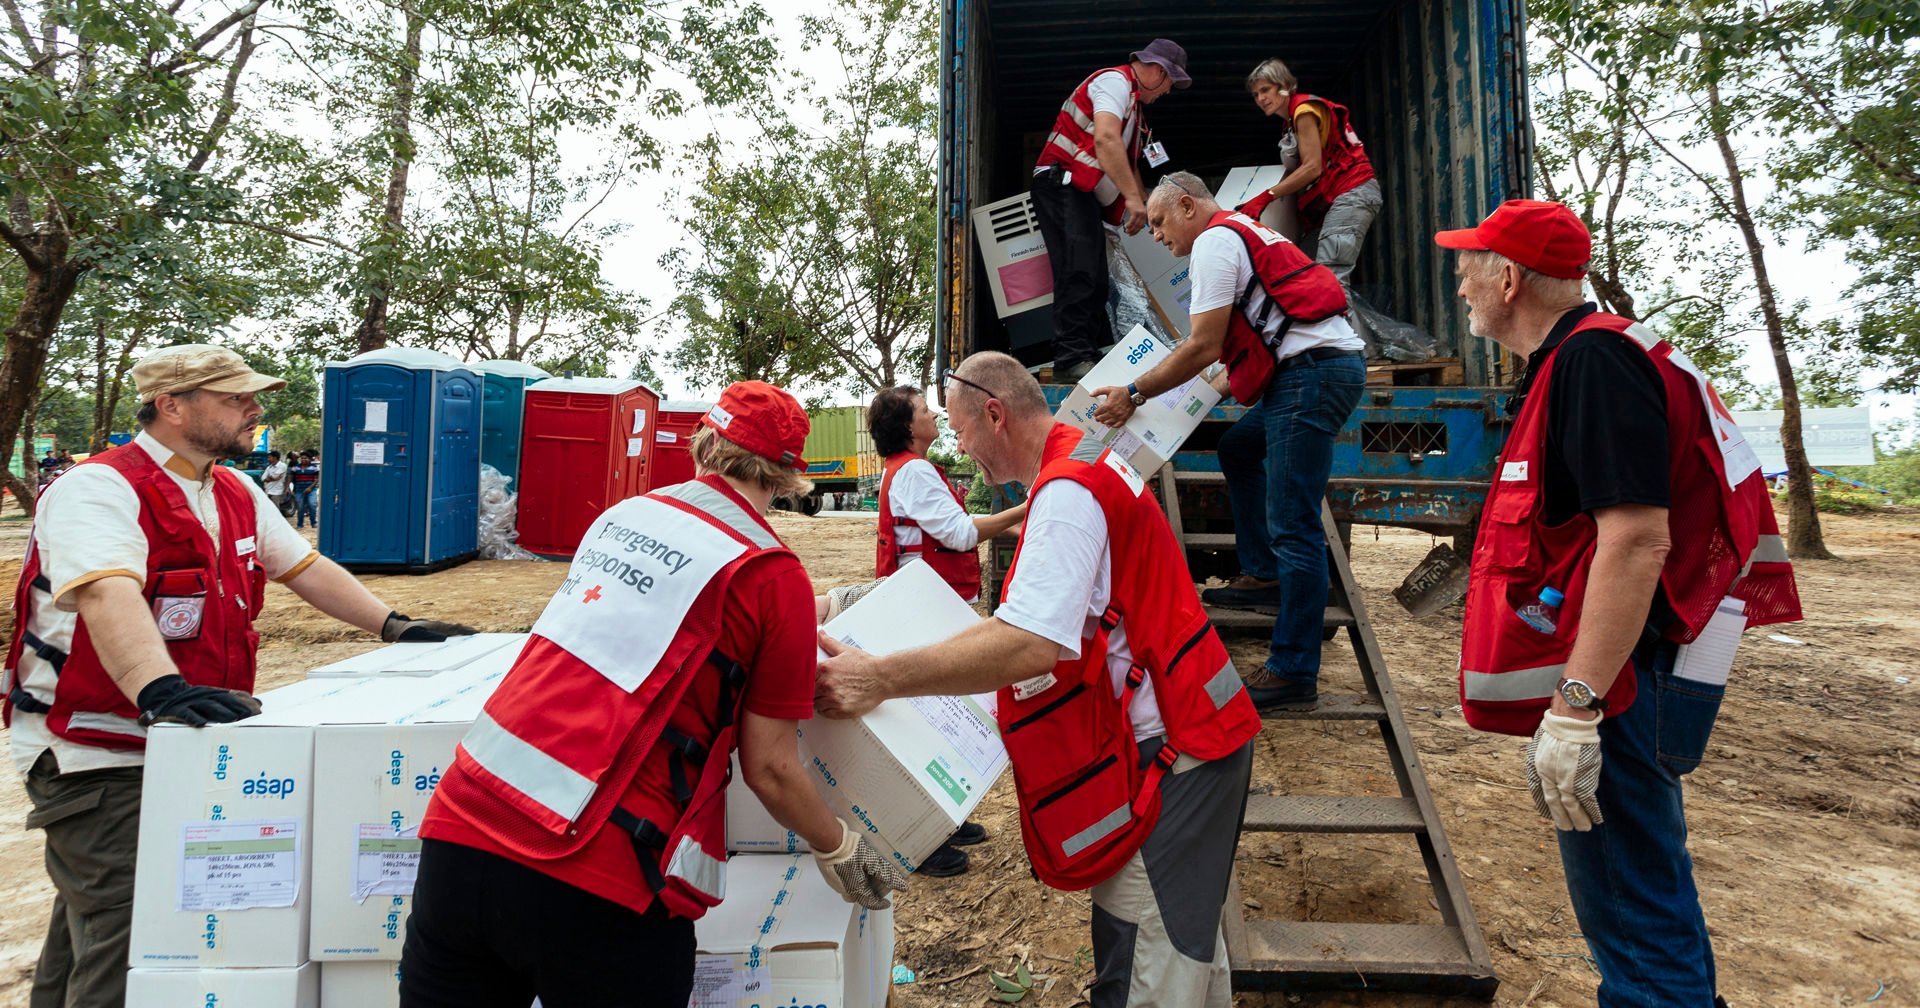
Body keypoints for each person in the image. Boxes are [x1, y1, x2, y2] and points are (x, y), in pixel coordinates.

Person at [2, 344, 477, 1008]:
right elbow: (109, 593)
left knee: (96, 921)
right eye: (235, 398)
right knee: (133, 928)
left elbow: (302, 569)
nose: (254, 409)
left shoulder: (230, 488)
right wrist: (158, 688)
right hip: (99, 751)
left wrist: (394, 624)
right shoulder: (99, 488)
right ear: (172, 406)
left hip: (186, 738)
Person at [402, 381, 904, 1008]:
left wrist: (814, 608)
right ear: (786, 475)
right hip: (597, 874)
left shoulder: (626, 516)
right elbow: (771, 767)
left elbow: (657, 610)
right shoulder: (771, 574)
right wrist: (836, 843)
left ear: (704, 444)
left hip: (462, 830)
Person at [1434, 200, 1802, 1007]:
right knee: (1639, 886)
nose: (1459, 282)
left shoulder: (1594, 363)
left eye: (1469, 264)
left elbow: (1637, 538)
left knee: (1634, 900)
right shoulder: (1587, 356)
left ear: (1509, 276)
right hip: (1635, 665)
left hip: (1625, 677)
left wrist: (1576, 705)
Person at [819, 352, 1260, 1008]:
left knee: (1145, 967)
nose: (962, 450)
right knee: (1185, 953)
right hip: (1190, 736)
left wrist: (880, 678)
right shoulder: (1085, 462)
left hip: (1172, 756)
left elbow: (1028, 644)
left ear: (994, 414)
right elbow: (1036, 625)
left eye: (963, 433)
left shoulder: (1066, 493)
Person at [1093, 172, 1364, 710]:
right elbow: (1224, 359)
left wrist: (1134, 392)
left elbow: (1202, 345)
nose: (1156, 236)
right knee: (1237, 448)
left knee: (1296, 526)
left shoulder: (1215, 241)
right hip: (1313, 371)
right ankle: (1263, 574)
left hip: (1308, 377)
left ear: (1188, 206)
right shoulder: (1242, 231)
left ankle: (1292, 670)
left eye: (1160, 222)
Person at [863, 384, 1029, 877]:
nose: (933, 413)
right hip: (925, 610)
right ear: (908, 427)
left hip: (923, 605)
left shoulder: (908, 471)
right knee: (928, 724)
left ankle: (939, 821)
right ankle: (919, 838)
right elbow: (958, 533)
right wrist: (1027, 508)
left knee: (937, 719)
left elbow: (953, 524)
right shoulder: (915, 470)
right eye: (922, 409)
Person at [1032, 39, 1190, 385]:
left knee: (1094, 274)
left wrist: (1145, 203)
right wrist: (1133, 200)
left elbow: (1127, 162)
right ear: (1157, 71)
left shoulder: (1133, 109)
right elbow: (1105, 140)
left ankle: (1086, 352)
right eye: (1169, 83)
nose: (1167, 92)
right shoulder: (1113, 84)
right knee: (1079, 270)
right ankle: (1071, 358)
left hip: (1079, 192)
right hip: (1062, 183)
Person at [1234, 58, 1380, 291]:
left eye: (1265, 90)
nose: (1260, 99)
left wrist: (1267, 196)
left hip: (1352, 192)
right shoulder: (1291, 121)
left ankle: (1343, 329)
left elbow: (1313, 168)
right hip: (1338, 199)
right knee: (1303, 267)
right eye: (1255, 94)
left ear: (1283, 86)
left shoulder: (1303, 111)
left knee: (1331, 279)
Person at [289, 450, 319, 528]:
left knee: (312, 505)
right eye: (302, 458)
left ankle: (313, 522)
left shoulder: (314, 468)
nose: (303, 460)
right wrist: (287, 488)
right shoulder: (295, 468)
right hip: (299, 490)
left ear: (309, 459)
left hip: (311, 490)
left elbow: (317, 479)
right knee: (300, 507)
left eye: (305, 458)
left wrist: (310, 488)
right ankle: (300, 524)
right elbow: (290, 478)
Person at [261, 449, 291, 517]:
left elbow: (275, 477)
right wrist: (271, 478)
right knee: (269, 509)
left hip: (277, 491)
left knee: (275, 510)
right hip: (268, 490)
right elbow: (263, 478)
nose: (268, 459)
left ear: (274, 458)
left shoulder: (282, 465)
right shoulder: (269, 467)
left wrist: (270, 478)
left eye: (269, 457)